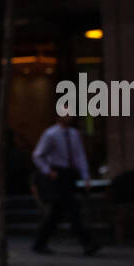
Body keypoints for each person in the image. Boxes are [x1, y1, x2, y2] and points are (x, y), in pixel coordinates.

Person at [32, 106, 100, 255]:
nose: (69, 116)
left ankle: (39, 242)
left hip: (70, 175)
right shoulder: (51, 134)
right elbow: (37, 155)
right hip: (58, 174)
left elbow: (79, 156)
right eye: (66, 114)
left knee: (57, 212)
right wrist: (48, 171)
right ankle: (87, 242)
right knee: (72, 208)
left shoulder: (74, 134)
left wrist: (85, 175)